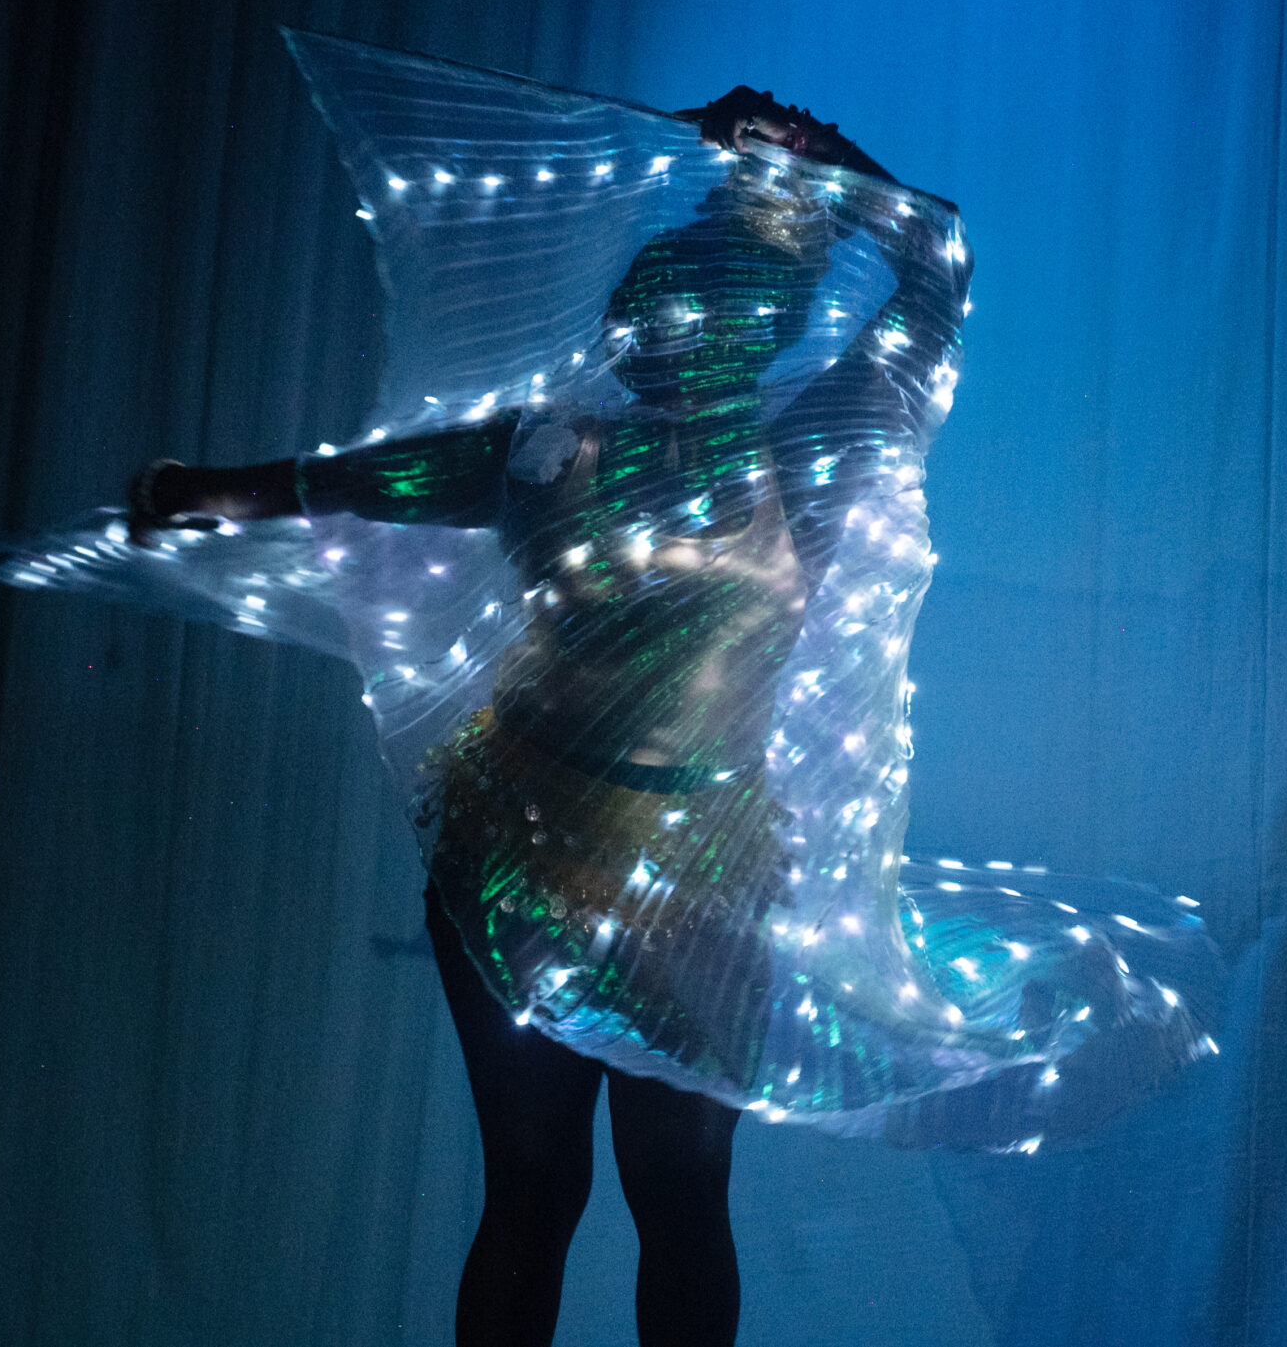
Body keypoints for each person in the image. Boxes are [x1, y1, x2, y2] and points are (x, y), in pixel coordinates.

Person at [126, 87, 940, 1347]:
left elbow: (936, 262)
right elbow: (357, 480)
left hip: (697, 883)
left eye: (695, 313)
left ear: (753, 332)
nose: (660, 335)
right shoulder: (552, 454)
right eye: (653, 311)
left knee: (673, 1195)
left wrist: (823, 155)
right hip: (515, 858)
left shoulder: (812, 451)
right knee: (542, 1187)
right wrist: (204, 491)